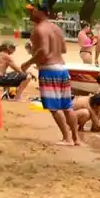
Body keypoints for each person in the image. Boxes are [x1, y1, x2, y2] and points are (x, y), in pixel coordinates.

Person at [29, 8, 79, 146]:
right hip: (62, 69)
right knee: (67, 107)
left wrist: (27, 62)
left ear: (41, 12)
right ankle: (76, 139)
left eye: (32, 11)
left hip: (49, 69)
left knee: (54, 108)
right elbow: (63, 49)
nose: (29, 14)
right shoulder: (56, 28)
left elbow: (44, 52)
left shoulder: (39, 29)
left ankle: (67, 138)